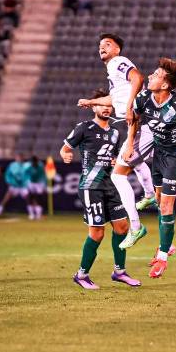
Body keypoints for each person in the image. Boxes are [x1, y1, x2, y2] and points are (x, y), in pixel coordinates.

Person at [77, 33, 158, 250]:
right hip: (144, 124)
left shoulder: (119, 62)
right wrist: (91, 101)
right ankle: (150, 195)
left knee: (118, 175)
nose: (102, 47)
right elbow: (114, 99)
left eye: (108, 44)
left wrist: (131, 105)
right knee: (136, 162)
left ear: (117, 50)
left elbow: (138, 78)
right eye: (100, 45)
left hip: (142, 124)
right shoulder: (112, 70)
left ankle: (136, 226)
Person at [125, 58, 176, 278]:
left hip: (175, 158)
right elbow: (135, 119)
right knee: (160, 203)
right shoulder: (143, 98)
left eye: (156, 75)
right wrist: (130, 143)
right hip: (158, 155)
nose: (151, 76)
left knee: (167, 206)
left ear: (166, 85)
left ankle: (162, 258)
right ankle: (167, 244)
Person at [62, 88, 141, 289]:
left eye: (108, 105)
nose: (106, 109)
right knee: (97, 233)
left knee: (122, 228)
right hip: (91, 186)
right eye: (101, 105)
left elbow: (112, 158)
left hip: (109, 184)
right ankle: (81, 275)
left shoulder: (115, 133)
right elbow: (65, 148)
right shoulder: (84, 128)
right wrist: (65, 155)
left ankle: (119, 271)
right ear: (93, 107)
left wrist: (116, 161)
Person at [24, 156, 47, 220]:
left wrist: (44, 184)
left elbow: (43, 176)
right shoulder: (28, 167)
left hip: (39, 183)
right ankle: (31, 214)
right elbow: (25, 176)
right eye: (32, 162)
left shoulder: (41, 167)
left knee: (38, 198)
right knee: (29, 198)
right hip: (31, 183)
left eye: (34, 162)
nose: (33, 163)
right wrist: (26, 184)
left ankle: (39, 214)